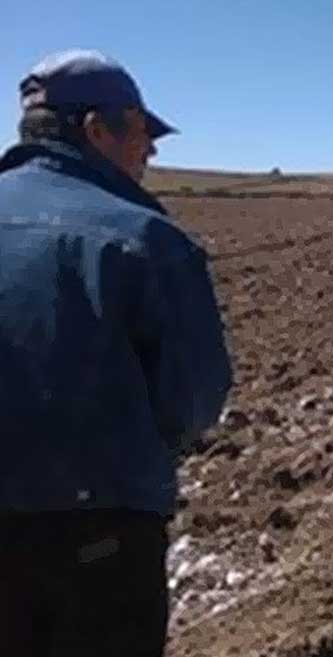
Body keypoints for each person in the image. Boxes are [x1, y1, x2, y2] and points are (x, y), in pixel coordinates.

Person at [0, 50, 233, 656]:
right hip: (95, 537)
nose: (150, 150)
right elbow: (194, 399)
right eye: (140, 130)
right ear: (95, 129)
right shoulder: (146, 240)